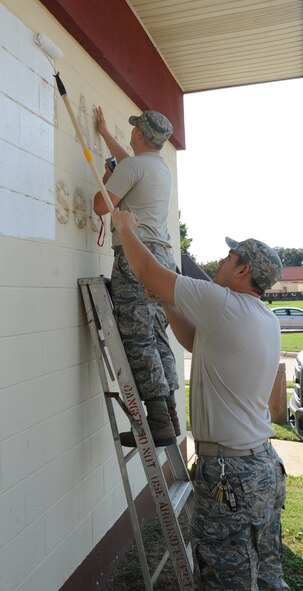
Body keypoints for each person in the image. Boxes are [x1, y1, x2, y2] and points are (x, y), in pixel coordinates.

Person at [110, 207, 290, 591]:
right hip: (260, 467)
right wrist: (167, 303)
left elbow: (145, 269)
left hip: (232, 473)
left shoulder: (222, 303)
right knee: (266, 568)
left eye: (228, 257)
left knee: (226, 577)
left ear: (243, 271)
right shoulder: (260, 316)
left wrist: (125, 228)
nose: (221, 261)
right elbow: (196, 342)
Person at [93, 107, 180, 447]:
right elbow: (129, 162)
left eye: (135, 129)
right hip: (162, 259)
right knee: (156, 334)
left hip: (135, 257)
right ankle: (169, 417)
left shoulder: (131, 168)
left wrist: (106, 177)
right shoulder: (159, 167)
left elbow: (102, 206)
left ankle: (157, 422)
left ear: (141, 134)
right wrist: (104, 133)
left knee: (136, 335)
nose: (131, 132)